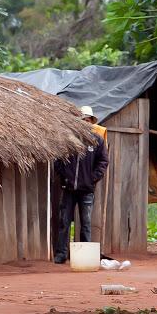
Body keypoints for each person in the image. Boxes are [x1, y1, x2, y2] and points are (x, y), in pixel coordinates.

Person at [54, 106, 109, 264]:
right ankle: (61, 254)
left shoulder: (97, 141)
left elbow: (103, 162)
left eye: (88, 119)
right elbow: (57, 160)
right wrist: (64, 177)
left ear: (91, 122)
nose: (85, 122)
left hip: (86, 190)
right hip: (68, 189)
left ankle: (84, 256)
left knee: (85, 223)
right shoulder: (69, 140)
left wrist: (92, 178)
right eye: (82, 119)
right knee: (64, 222)